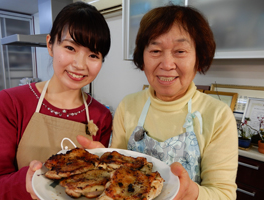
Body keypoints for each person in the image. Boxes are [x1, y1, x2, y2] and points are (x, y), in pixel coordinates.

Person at [78, 5, 238, 200]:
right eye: (155, 50)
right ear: (142, 57)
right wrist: (100, 163)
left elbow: (224, 194)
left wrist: (191, 192)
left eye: (180, 51)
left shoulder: (218, 116)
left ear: (199, 57)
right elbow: (117, 172)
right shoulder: (128, 106)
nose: (167, 64)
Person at [0, 2, 112, 199]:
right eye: (70, 48)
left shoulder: (101, 116)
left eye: (93, 55)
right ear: (50, 45)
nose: (80, 65)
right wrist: (28, 181)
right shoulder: (10, 103)